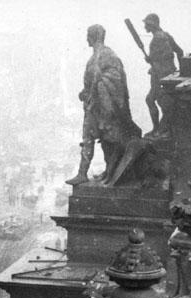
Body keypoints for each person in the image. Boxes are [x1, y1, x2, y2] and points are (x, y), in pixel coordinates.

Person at [66, 25, 141, 186]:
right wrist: (85, 92)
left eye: (88, 35)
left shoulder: (107, 55)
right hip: (94, 105)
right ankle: (83, 173)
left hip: (104, 107)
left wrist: (98, 88)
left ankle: (108, 171)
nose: (86, 38)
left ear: (94, 36)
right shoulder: (95, 56)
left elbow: (114, 79)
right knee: (90, 138)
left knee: (107, 140)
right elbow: (91, 80)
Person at [143, 13, 183, 138]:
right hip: (167, 75)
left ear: (152, 24)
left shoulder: (157, 39)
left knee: (153, 100)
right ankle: (161, 128)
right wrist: (181, 71)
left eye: (146, 24)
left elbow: (160, 58)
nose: (144, 26)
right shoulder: (166, 35)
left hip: (159, 76)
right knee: (161, 101)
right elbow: (179, 51)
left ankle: (159, 129)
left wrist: (150, 59)